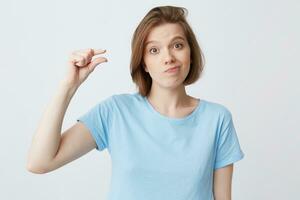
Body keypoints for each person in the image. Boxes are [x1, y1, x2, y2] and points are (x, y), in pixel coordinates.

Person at [26, 5, 244, 200]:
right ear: (144, 64)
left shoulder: (216, 119)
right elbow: (40, 162)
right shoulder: (116, 112)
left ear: (191, 54)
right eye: (154, 50)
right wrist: (68, 86)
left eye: (177, 45)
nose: (168, 57)